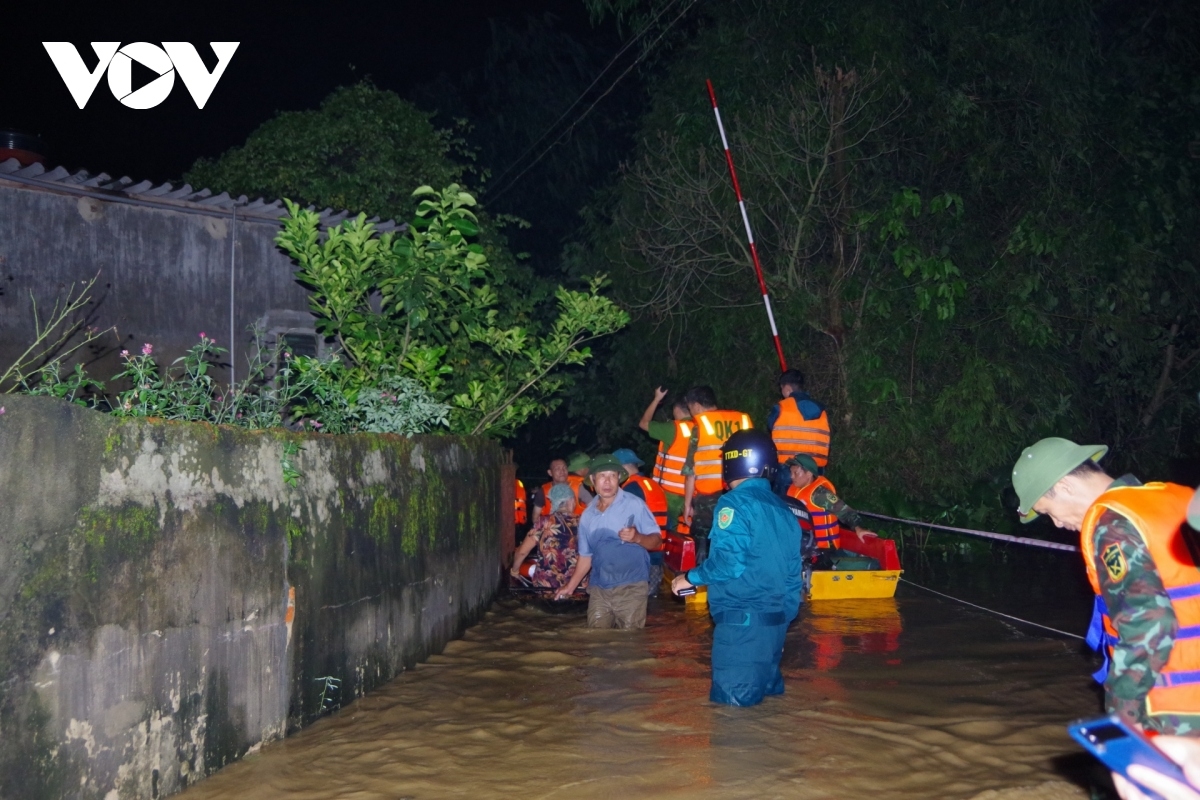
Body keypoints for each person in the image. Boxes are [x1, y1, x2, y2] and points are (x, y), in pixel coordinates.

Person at [1011, 437, 1200, 734]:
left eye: (1048, 511)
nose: (1057, 524)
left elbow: (1150, 622)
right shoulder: (1178, 498)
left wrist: (1122, 715)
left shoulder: (1112, 524)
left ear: (1065, 487)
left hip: (1180, 710)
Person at [670, 429, 803, 706]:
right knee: (768, 713)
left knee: (733, 723)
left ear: (730, 463)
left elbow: (729, 563)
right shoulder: (785, 510)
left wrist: (690, 578)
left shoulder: (734, 502)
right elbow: (794, 578)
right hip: (774, 630)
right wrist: (779, 621)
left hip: (742, 628)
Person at [555, 454, 662, 629]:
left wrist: (637, 537)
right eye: (602, 476)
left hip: (631, 587)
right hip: (599, 589)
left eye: (612, 476)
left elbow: (657, 541)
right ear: (592, 480)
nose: (607, 481)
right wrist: (570, 586)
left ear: (619, 478)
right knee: (597, 641)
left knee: (629, 643)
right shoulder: (588, 515)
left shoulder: (635, 504)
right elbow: (585, 556)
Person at [681, 386, 752, 564]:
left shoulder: (700, 426)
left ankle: (705, 584)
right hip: (742, 494)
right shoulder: (742, 420)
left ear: (696, 406)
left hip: (708, 499)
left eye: (690, 409)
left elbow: (691, 472)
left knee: (704, 540)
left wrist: (688, 505)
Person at [785, 454, 877, 550]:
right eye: (791, 472)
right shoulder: (792, 490)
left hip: (823, 549)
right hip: (802, 546)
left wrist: (858, 528)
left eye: (796, 473)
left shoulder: (820, 494)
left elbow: (844, 511)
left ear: (809, 474)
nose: (791, 476)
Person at [614, 447, 668, 596]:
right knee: (651, 602)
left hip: (641, 554)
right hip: (657, 551)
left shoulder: (631, 489)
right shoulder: (652, 484)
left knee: (638, 601)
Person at [511, 484, 584, 593]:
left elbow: (522, 552)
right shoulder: (584, 522)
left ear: (553, 502)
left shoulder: (543, 522)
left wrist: (514, 572)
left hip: (547, 586)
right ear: (571, 501)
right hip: (578, 586)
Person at [768, 369, 830, 495]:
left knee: (784, 509)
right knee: (811, 508)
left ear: (786, 388)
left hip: (788, 469)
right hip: (816, 470)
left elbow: (770, 426)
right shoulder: (821, 409)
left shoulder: (782, 407)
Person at [639, 387, 693, 532]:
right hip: (692, 493)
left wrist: (657, 399)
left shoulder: (673, 428)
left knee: (666, 534)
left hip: (669, 495)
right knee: (687, 533)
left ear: (677, 409)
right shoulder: (700, 429)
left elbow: (644, 423)